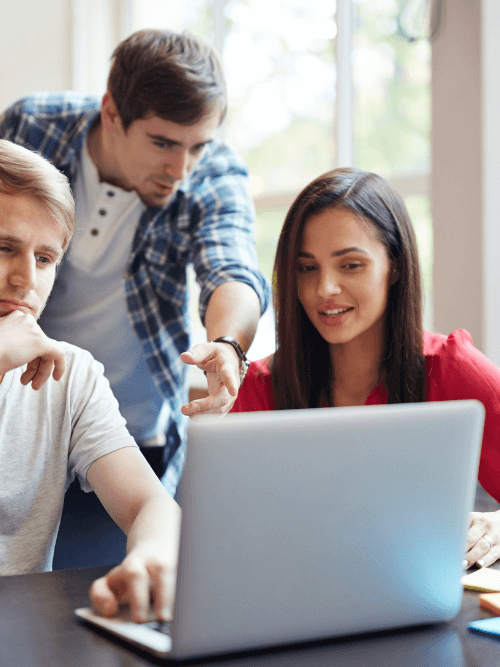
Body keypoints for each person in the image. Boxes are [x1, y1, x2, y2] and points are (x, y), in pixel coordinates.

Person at [0, 28, 269, 495]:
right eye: (163, 143)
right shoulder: (31, 128)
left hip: (131, 434)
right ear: (111, 113)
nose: (181, 170)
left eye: (198, 146)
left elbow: (232, 269)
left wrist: (227, 344)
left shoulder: (213, 173)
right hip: (21, 424)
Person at [231, 167, 500, 570]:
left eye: (350, 265)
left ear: (393, 265)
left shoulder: (451, 369)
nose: (324, 289)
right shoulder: (259, 388)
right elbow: (232, 537)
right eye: (307, 268)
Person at [0, 138, 179, 622]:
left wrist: (151, 554)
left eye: (45, 259)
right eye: (4, 247)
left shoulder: (70, 374)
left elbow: (151, 505)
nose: (26, 280)